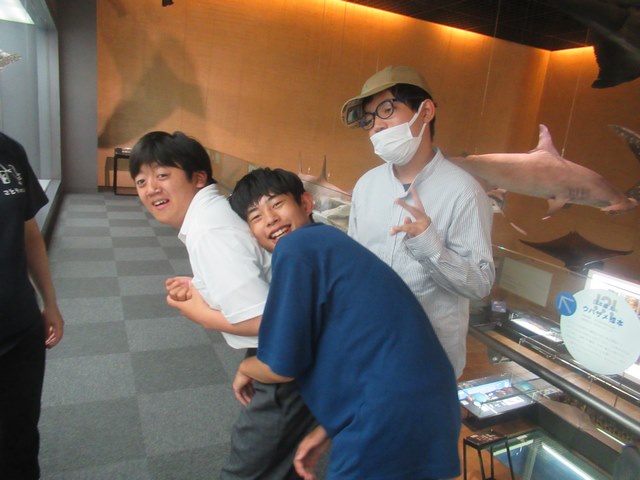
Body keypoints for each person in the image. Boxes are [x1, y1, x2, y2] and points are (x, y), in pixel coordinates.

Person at [229, 167, 461, 480]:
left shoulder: (295, 248)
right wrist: (328, 429)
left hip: (383, 411)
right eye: (255, 216)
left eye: (277, 204)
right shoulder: (330, 242)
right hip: (427, 399)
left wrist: (245, 368)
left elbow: (282, 366)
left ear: (306, 203)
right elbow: (358, 344)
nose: (270, 218)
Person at [128, 131, 315, 480]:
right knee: (282, 463)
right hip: (295, 344)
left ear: (198, 177)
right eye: (141, 181)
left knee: (250, 468)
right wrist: (203, 287)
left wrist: (202, 315)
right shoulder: (215, 211)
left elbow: (269, 322)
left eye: (163, 175)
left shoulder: (208, 230)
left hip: (291, 356)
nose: (151, 188)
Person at [341, 65, 495, 378]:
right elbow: (356, 264)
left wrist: (429, 244)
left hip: (426, 360)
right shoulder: (367, 184)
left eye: (387, 110)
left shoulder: (464, 192)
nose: (377, 126)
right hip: (365, 345)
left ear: (425, 112)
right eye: (368, 119)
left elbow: (480, 284)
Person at [0, 132, 64, 479]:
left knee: (21, 434)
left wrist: (49, 302)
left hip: (20, 324)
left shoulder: (9, 150)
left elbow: (29, 234)